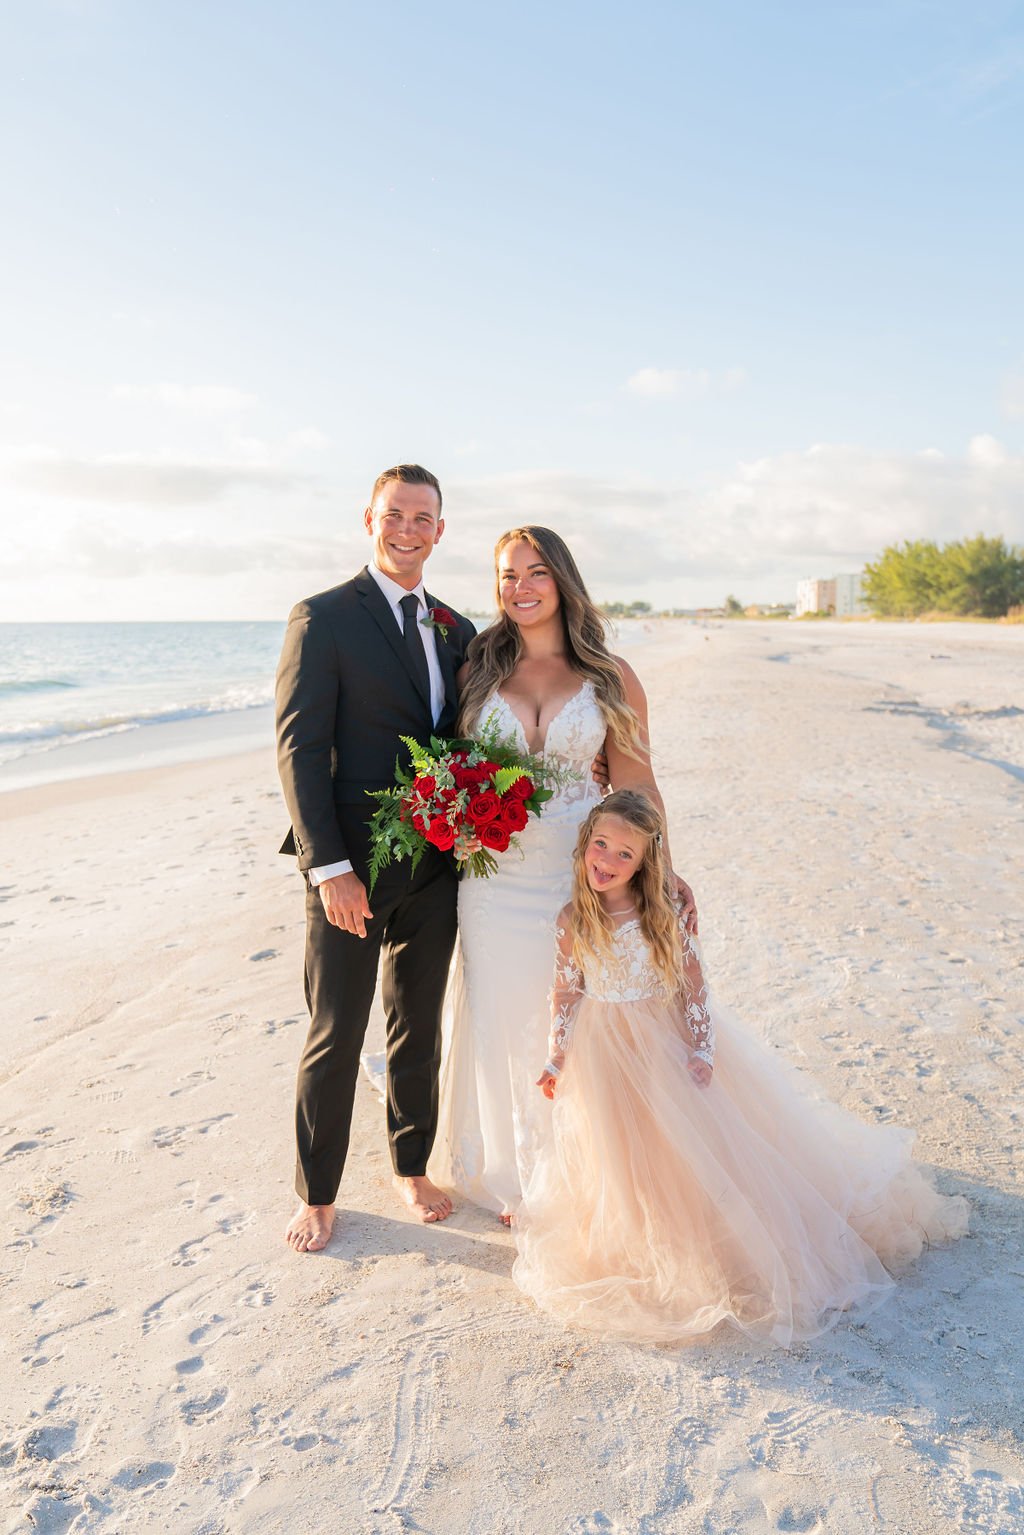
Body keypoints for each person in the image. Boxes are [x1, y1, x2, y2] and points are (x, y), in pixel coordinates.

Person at [513, 790, 969, 1347]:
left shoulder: (660, 914)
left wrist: (701, 1047)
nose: (607, 861)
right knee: (620, 1152)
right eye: (601, 846)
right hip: (603, 1051)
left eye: (624, 855)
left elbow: (690, 984)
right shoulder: (572, 919)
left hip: (661, 1043)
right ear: (585, 844)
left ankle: (713, 1246)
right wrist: (556, 1055)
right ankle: (640, 1249)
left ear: (645, 862)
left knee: (688, 1146)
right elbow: (566, 990)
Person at [430, 527, 696, 1222]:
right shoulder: (476, 674)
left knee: (583, 1023)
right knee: (503, 1012)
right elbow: (455, 775)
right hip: (492, 881)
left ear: (563, 580)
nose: (520, 586)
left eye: (535, 571)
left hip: (582, 877)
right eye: (507, 575)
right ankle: (516, 1176)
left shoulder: (611, 677)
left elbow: (637, 786)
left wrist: (660, 872)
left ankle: (581, 1171)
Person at [275, 464, 476, 1253]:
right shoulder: (322, 616)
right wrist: (329, 868)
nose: (408, 528)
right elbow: (299, 748)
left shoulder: (455, 627)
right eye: (396, 513)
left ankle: (410, 1163)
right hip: (350, 872)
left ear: (439, 529)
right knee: (335, 1029)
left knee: (418, 1022)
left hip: (435, 869)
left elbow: (460, 737)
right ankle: (317, 1191)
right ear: (370, 518)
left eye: (423, 517)